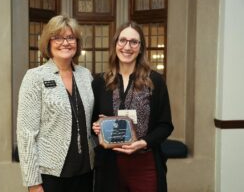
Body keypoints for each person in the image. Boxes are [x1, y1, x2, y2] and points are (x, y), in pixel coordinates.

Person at [92, 21, 174, 192]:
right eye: (122, 40)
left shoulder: (155, 81)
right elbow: (93, 122)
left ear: (140, 47)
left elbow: (165, 125)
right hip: (110, 165)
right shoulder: (100, 82)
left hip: (145, 164)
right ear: (115, 44)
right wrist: (96, 126)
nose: (127, 47)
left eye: (133, 42)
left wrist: (143, 143)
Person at [17, 15, 95, 192]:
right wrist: (33, 183)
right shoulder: (35, 77)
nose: (65, 42)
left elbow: (91, 119)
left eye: (70, 37)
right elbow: (26, 134)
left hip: (86, 171)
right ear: (48, 42)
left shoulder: (85, 75)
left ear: (77, 42)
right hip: (51, 176)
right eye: (58, 37)